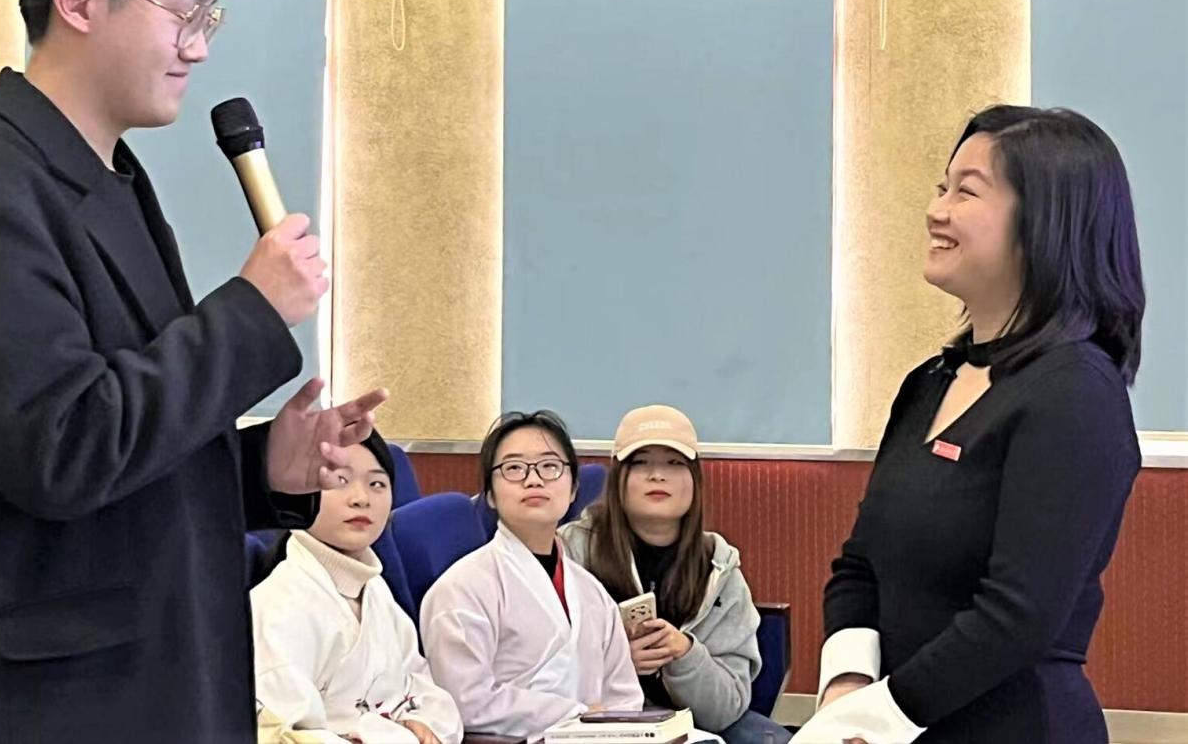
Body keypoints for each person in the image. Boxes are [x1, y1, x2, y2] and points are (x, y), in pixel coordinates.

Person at [0, 0, 385, 741]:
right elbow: (62, 448)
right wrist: (250, 311)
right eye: (183, 13)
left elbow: (130, 453)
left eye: (209, 18)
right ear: (79, 1)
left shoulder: (108, 183)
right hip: (56, 705)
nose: (198, 48)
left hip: (154, 677)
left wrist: (263, 469)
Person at [794, 106, 1144, 743]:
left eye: (967, 191)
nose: (937, 211)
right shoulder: (928, 383)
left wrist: (873, 720)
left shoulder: (1075, 391)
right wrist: (846, 688)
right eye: (942, 187)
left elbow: (1018, 615)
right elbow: (860, 566)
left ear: (1044, 221)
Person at [561, 405, 792, 744]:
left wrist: (685, 654)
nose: (658, 475)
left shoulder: (720, 569)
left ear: (694, 480)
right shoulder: (571, 553)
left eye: (674, 463)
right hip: (598, 722)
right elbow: (540, 673)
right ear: (618, 478)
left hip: (695, 722)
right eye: (641, 463)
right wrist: (616, 663)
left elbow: (726, 708)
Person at [420, 410, 644, 740]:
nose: (534, 479)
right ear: (490, 494)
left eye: (550, 466)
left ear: (573, 489)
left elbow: (624, 697)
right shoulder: (460, 589)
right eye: (514, 468)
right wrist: (576, 716)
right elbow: (465, 702)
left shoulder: (593, 592)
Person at [252, 430, 462, 744]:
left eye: (377, 484)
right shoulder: (279, 605)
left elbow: (419, 684)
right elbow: (283, 733)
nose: (361, 498)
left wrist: (421, 722)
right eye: (339, 480)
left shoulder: (374, 588)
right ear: (297, 494)